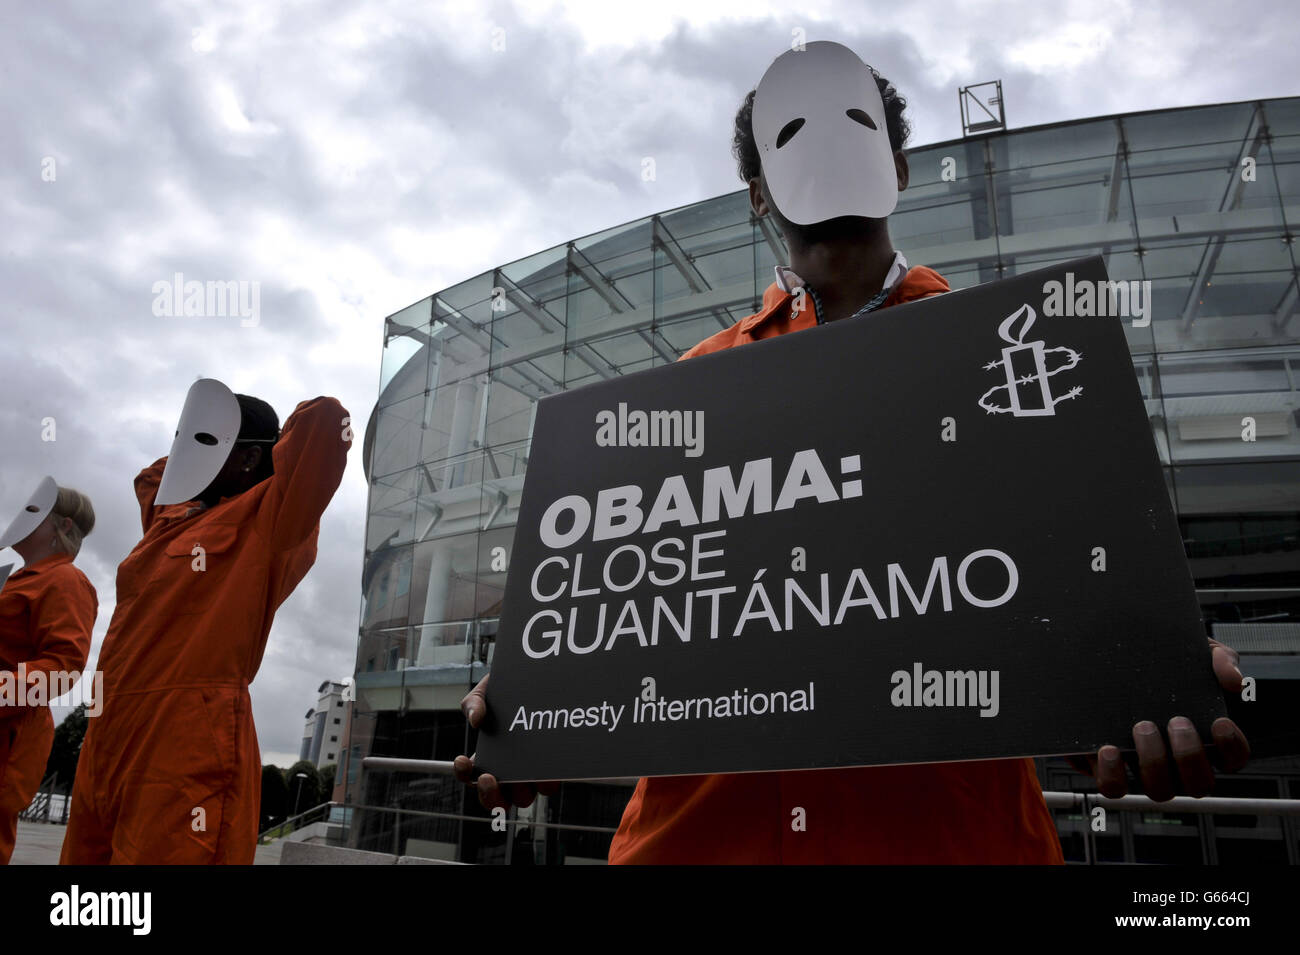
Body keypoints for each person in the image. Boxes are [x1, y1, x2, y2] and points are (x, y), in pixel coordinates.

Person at [453, 42, 1251, 863]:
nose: (827, 148)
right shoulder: (685, 394)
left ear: (900, 169)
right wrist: (538, 709)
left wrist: (1124, 693)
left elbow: (1064, 614)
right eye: (791, 135)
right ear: (759, 193)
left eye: (854, 124)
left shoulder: (1013, 360)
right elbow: (637, 610)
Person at [60, 379, 350, 864]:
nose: (184, 452)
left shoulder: (271, 519)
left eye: (209, 440)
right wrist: (205, 433)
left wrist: (268, 447)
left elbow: (326, 425)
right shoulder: (168, 519)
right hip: (107, 733)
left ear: (249, 459)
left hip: (186, 739)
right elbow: (151, 476)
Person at [0, 478, 98, 865]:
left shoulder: (65, 580)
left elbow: (64, 666)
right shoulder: (16, 579)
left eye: (35, 513)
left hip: (8, 735)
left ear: (64, 526)